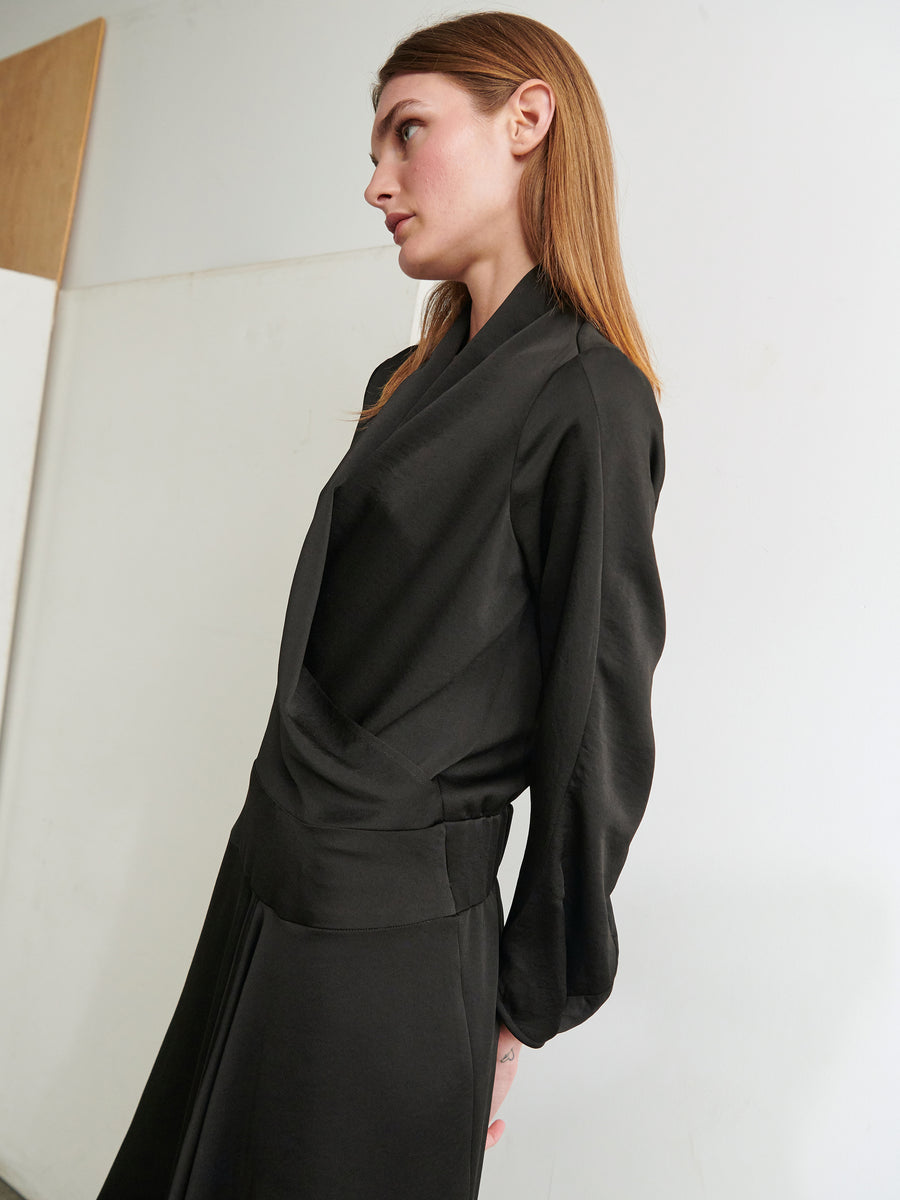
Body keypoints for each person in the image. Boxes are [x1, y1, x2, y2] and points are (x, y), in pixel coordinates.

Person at [96, 11, 665, 1200]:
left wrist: (524, 1002)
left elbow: (592, 732)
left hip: (389, 946)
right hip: (267, 881)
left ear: (527, 119)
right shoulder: (398, 383)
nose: (375, 183)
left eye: (408, 133)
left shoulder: (587, 399)